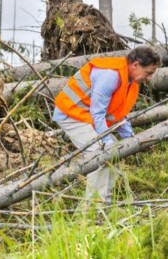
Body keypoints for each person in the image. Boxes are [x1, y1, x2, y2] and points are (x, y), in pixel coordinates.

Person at [53, 46, 161, 203]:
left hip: (86, 117)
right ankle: (93, 208)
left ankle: (105, 203)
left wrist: (130, 140)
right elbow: (97, 114)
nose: (150, 78)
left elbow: (119, 115)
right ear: (136, 65)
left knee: (113, 153)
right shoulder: (110, 75)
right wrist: (108, 144)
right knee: (101, 155)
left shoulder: (131, 81)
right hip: (70, 114)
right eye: (149, 73)